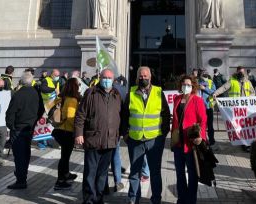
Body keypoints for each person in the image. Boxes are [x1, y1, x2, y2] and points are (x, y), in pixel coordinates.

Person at [121, 66, 171, 204]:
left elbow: (166, 114)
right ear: (137, 77)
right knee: (134, 173)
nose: (143, 78)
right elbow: (124, 115)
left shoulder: (158, 92)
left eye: (145, 76)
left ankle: (156, 199)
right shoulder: (130, 92)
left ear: (150, 76)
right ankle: (133, 199)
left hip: (154, 140)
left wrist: (163, 134)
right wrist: (125, 134)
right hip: (135, 139)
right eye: (140, 76)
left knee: (155, 173)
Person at [75, 69, 122, 203]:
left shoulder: (116, 95)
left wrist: (120, 133)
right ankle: (89, 199)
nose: (106, 80)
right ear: (99, 78)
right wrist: (79, 133)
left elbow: (121, 116)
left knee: (102, 174)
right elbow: (80, 115)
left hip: (110, 141)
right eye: (104, 77)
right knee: (90, 173)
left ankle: (99, 198)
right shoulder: (91, 93)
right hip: (93, 139)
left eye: (109, 78)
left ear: (113, 80)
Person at [172, 75, 207, 204]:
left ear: (193, 86)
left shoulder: (197, 100)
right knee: (179, 174)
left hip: (191, 144)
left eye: (188, 84)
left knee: (192, 175)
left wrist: (201, 137)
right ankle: (181, 199)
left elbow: (203, 120)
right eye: (183, 84)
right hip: (178, 143)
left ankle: (191, 200)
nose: (185, 86)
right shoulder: (176, 99)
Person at [6, 72, 44, 189]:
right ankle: (22, 177)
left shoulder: (18, 94)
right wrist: (35, 120)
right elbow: (41, 109)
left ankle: (21, 180)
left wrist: (11, 126)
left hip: (19, 128)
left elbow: (11, 113)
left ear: (21, 81)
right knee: (26, 153)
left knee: (19, 155)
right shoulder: (36, 93)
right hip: (29, 127)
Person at [52, 78, 80, 190]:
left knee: (65, 155)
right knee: (64, 157)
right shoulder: (72, 99)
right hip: (67, 132)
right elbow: (70, 117)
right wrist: (78, 131)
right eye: (78, 85)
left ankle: (66, 174)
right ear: (74, 86)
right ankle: (60, 180)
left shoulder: (64, 97)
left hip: (62, 130)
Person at [198, 70, 216, 146]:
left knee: (210, 125)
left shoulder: (210, 82)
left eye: (206, 74)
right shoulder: (197, 82)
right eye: (203, 74)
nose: (205, 75)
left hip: (208, 107)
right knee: (201, 125)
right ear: (200, 75)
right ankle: (203, 139)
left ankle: (211, 140)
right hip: (199, 107)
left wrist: (204, 88)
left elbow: (214, 92)